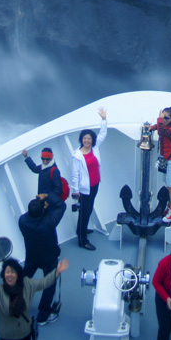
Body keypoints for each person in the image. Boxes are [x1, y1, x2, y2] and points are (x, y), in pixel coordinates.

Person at [18, 196, 66, 325]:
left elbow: (33, 213)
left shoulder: (22, 221)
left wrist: (41, 206)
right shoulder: (48, 222)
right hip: (49, 259)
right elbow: (62, 206)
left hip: (32, 257)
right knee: (49, 285)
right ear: (42, 211)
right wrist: (48, 197)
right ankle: (43, 315)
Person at [70, 106, 107, 250]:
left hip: (95, 185)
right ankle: (82, 240)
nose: (87, 141)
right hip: (84, 190)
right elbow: (75, 175)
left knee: (88, 209)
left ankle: (82, 229)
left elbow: (103, 133)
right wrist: (76, 191)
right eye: (85, 138)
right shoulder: (77, 156)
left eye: (89, 138)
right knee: (84, 212)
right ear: (81, 140)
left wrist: (103, 119)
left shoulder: (95, 148)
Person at [151, 107, 171, 224]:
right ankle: (169, 207)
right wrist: (150, 127)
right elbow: (159, 128)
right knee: (167, 185)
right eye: (163, 118)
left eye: (166, 118)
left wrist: (159, 119)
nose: (164, 120)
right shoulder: (166, 126)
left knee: (170, 186)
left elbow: (161, 132)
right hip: (166, 160)